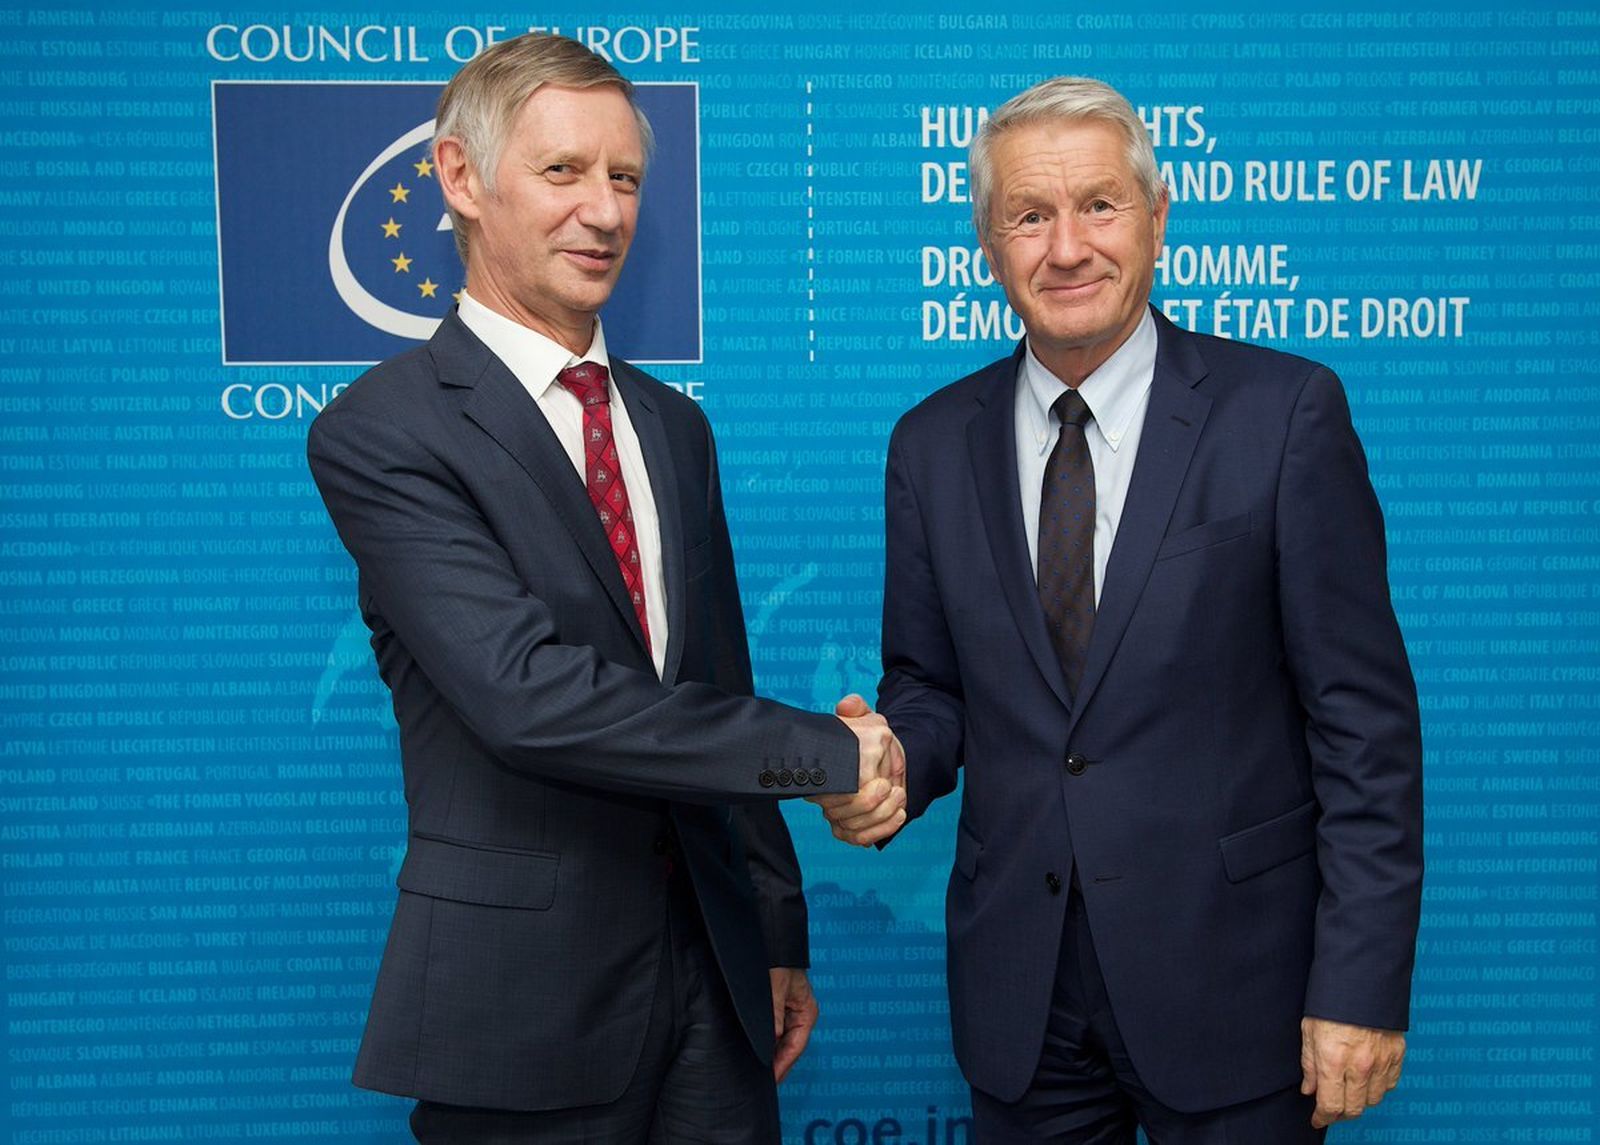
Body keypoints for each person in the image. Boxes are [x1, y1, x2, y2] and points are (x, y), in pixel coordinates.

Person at [307, 33, 896, 1144]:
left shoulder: (674, 427)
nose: (606, 211)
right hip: (520, 1003)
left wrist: (775, 927)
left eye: (624, 178)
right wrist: (826, 754)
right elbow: (531, 697)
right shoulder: (383, 431)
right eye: (563, 172)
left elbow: (719, 677)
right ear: (460, 177)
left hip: (715, 989)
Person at [812, 76, 1422, 1141]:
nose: (1067, 247)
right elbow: (931, 685)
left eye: (1098, 205)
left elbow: (1363, 728)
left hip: (1237, 988)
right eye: (1028, 216)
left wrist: (1360, 982)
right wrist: (896, 759)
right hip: (1021, 996)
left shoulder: (1282, 416)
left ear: (1157, 218)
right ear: (989, 250)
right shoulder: (929, 444)